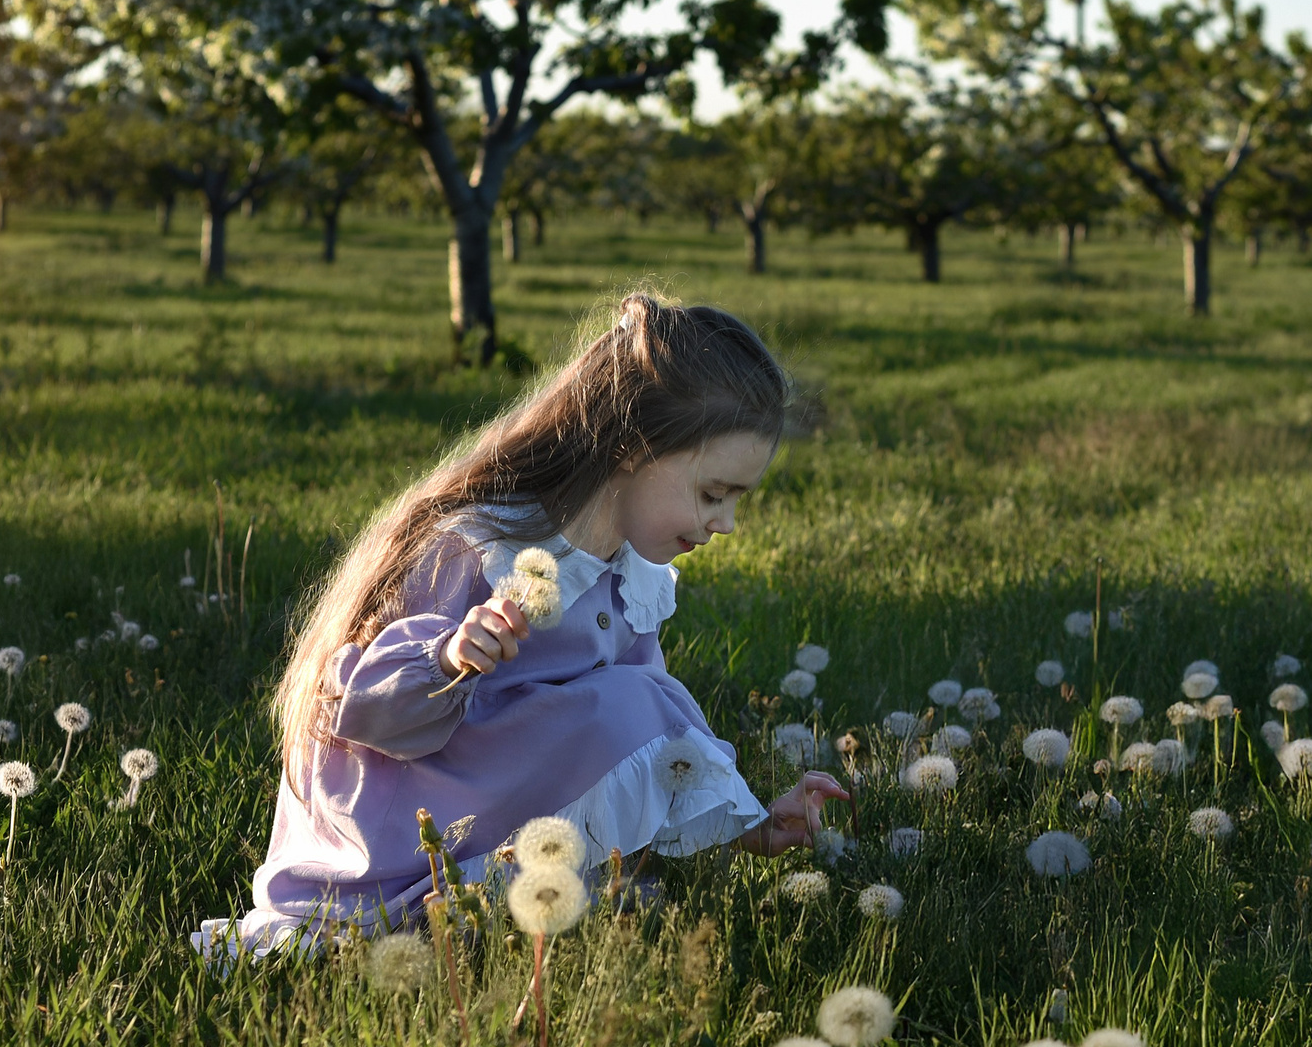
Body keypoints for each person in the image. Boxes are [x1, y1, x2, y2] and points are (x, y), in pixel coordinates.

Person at [194, 291, 846, 960]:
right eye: (713, 494)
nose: (726, 524)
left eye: (736, 500)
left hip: (501, 806)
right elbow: (356, 707)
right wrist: (447, 656)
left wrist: (753, 825)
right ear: (631, 445)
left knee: (640, 699)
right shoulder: (479, 546)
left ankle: (518, 891)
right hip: (403, 830)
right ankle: (440, 900)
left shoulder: (631, 577)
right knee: (635, 701)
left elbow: (654, 748)